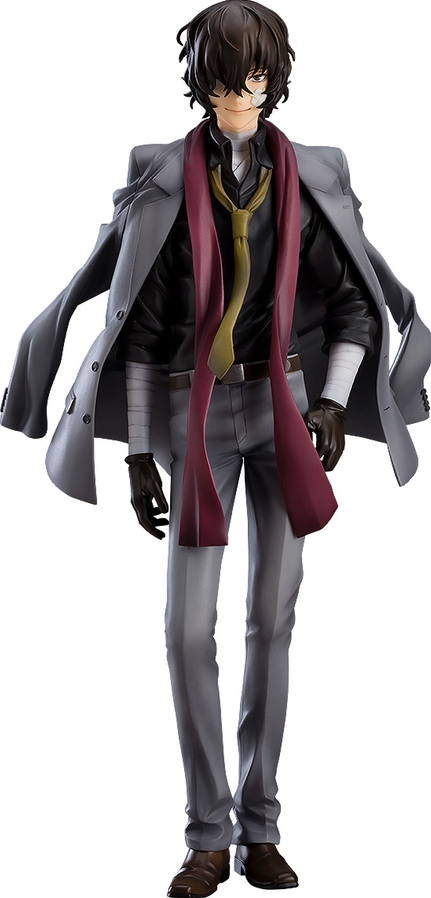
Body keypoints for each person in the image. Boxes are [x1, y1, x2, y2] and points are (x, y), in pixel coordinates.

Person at [2, 2, 430, 895]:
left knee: (273, 621)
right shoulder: (161, 174)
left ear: (275, 80)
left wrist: (330, 400)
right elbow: (137, 323)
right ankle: (206, 834)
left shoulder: (314, 173)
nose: (240, 92)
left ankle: (259, 828)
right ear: (199, 82)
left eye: (255, 76)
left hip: (285, 412)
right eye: (224, 78)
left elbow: (353, 302)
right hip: (191, 419)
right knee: (185, 628)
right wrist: (134, 454)